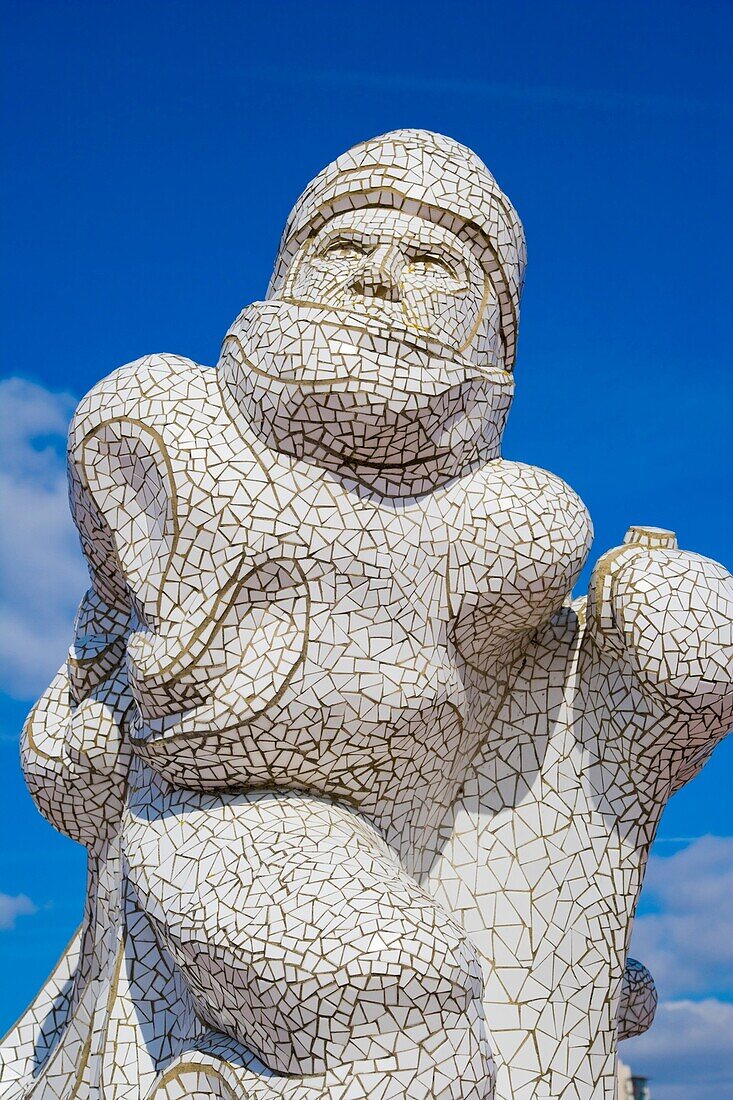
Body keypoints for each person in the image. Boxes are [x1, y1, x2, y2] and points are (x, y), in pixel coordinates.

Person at [2, 130, 730, 1100]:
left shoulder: (518, 525)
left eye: (430, 261)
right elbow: (91, 749)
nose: (379, 277)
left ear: (492, 322)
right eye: (345, 247)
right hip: (224, 822)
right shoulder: (167, 425)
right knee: (389, 1003)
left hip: (428, 842)